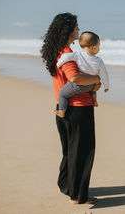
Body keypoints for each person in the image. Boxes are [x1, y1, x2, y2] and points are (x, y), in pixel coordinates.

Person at [40, 12, 100, 205]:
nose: (78, 29)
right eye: (76, 26)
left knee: (69, 152)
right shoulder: (66, 52)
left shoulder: (56, 51)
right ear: (68, 30)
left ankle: (65, 185)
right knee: (83, 152)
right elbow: (75, 78)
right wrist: (97, 80)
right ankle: (77, 196)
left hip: (62, 108)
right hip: (78, 109)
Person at [55, 31, 109, 118]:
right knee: (93, 86)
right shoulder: (99, 61)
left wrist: (58, 64)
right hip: (91, 86)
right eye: (99, 45)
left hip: (79, 85)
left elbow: (66, 57)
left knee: (62, 94)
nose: (99, 48)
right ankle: (94, 100)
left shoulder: (77, 55)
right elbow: (104, 74)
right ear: (94, 47)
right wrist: (106, 86)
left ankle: (61, 111)